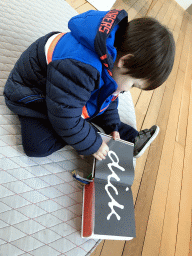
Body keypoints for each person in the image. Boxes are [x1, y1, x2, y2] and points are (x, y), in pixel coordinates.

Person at [3, 9, 175, 161]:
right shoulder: (81, 68)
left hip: (64, 89)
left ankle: (127, 136)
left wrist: (112, 125)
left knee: (100, 108)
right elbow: (64, 116)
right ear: (125, 61)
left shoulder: (111, 54)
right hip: (32, 93)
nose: (128, 90)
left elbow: (109, 96)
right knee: (37, 146)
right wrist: (91, 143)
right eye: (134, 84)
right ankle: (88, 128)